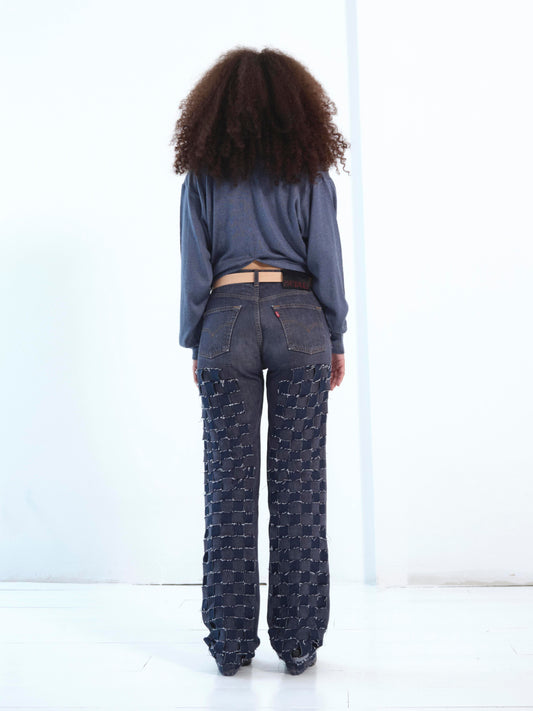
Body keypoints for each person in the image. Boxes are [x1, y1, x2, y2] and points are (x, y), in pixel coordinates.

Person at [171, 46, 349, 676]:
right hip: (299, 316)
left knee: (228, 485)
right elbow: (327, 262)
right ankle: (298, 643)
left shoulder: (202, 177)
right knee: (300, 485)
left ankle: (229, 644)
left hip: (223, 322)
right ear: (297, 106)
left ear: (215, 109)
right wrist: (336, 336)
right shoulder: (310, 175)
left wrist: (196, 339)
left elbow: (194, 268)